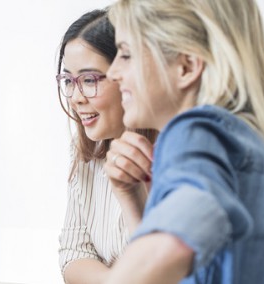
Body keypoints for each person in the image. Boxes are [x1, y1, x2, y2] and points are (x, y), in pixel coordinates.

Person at [102, 0, 264, 283]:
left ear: (186, 66)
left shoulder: (194, 131)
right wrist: (132, 198)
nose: (113, 73)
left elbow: (189, 220)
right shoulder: (249, 140)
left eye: (127, 54)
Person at [56, 9, 158, 284]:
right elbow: (72, 251)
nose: (76, 97)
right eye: (68, 81)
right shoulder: (86, 153)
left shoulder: (178, 154)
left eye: (89, 80)